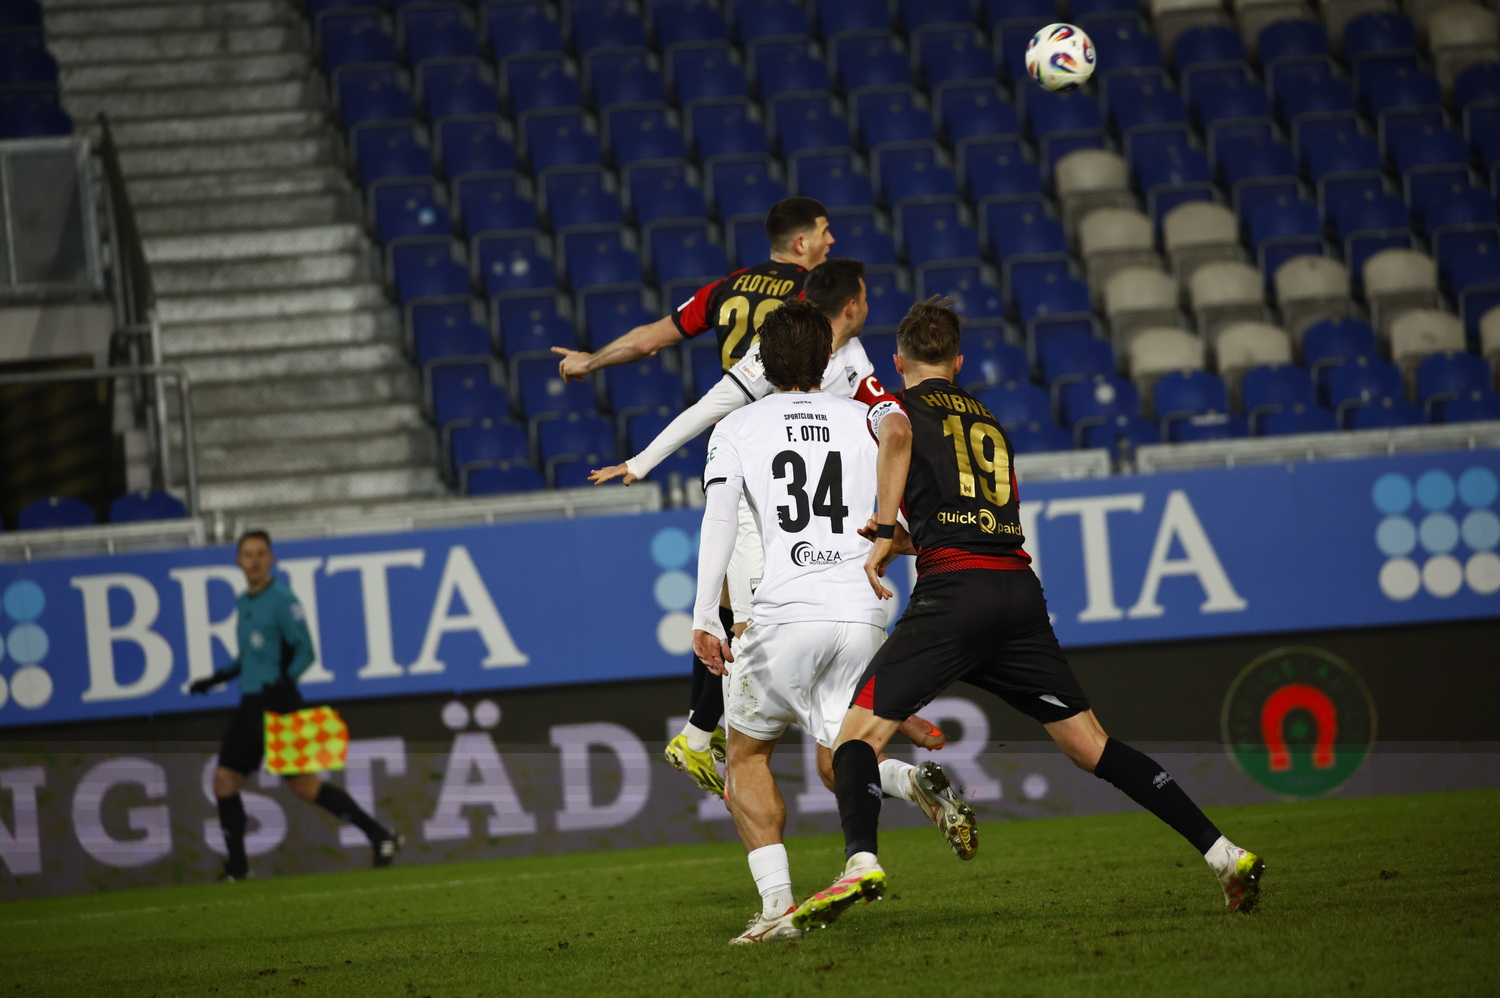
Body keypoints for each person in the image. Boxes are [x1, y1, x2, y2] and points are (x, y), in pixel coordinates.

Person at [792, 298, 1266, 931]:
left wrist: (883, 531)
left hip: (954, 596)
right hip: (1016, 592)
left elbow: (899, 441)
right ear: (958, 363)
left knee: (854, 740)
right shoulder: (988, 419)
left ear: (899, 362)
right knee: (1092, 746)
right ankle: (1224, 854)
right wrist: (911, 540)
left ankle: (861, 863)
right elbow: (977, 517)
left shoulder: (897, 408)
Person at [587, 259, 947, 791]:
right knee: (753, 633)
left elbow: (886, 424)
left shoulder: (851, 357)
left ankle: (702, 735)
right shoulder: (769, 358)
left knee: (783, 642)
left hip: (804, 514)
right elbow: (709, 408)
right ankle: (701, 737)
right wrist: (641, 462)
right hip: (755, 509)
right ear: (852, 305)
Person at [691, 299, 975, 946]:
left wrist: (707, 614)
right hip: (864, 605)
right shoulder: (868, 416)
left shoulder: (736, 427)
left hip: (786, 608)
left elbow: (720, 520)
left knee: (746, 756)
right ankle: (907, 780)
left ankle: (776, 908)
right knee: (840, 750)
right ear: (826, 360)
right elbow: (906, 487)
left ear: (763, 362)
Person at [552, 199, 832, 796]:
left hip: (735, 445)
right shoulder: (811, 296)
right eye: (824, 233)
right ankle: (733, 731)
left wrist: (590, 361)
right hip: (786, 446)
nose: (830, 242)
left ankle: (700, 731)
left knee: (729, 602)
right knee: (765, 604)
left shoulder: (726, 288)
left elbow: (649, 341)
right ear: (801, 243)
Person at [189, 530, 403, 881]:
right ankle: (238, 869)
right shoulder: (244, 602)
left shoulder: (283, 600)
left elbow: (306, 651)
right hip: (250, 703)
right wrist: (216, 678)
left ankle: (381, 835)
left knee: (305, 787)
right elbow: (249, 657)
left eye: (260, 553)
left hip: (279, 707)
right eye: (248, 554)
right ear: (238, 561)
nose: (254, 561)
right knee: (224, 782)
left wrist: (285, 681)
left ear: (271, 559)